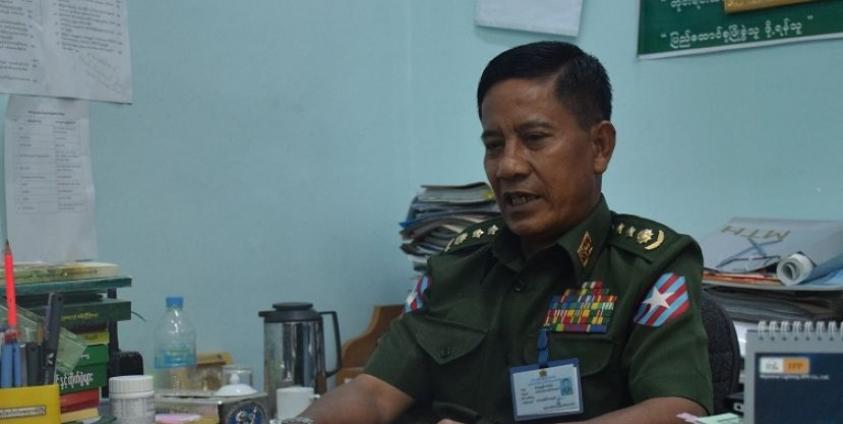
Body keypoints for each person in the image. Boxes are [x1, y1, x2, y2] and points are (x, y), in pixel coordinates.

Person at [286, 41, 713, 424]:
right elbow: (374, 393)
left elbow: (678, 411)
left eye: (535, 138)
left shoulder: (648, 267)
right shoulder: (457, 266)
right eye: (494, 145)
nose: (508, 166)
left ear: (599, 146)